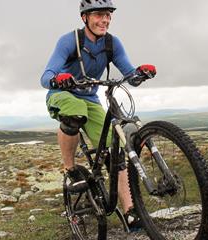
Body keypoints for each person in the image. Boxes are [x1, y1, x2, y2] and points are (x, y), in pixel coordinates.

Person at [40, 0, 156, 231]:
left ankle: (131, 212)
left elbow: (129, 75)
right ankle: (70, 169)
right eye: (99, 15)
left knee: (115, 154)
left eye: (108, 15)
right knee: (75, 112)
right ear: (85, 18)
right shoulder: (69, 41)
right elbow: (45, 77)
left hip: (91, 100)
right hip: (61, 95)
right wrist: (58, 79)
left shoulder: (112, 43)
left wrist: (141, 74)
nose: (105, 20)